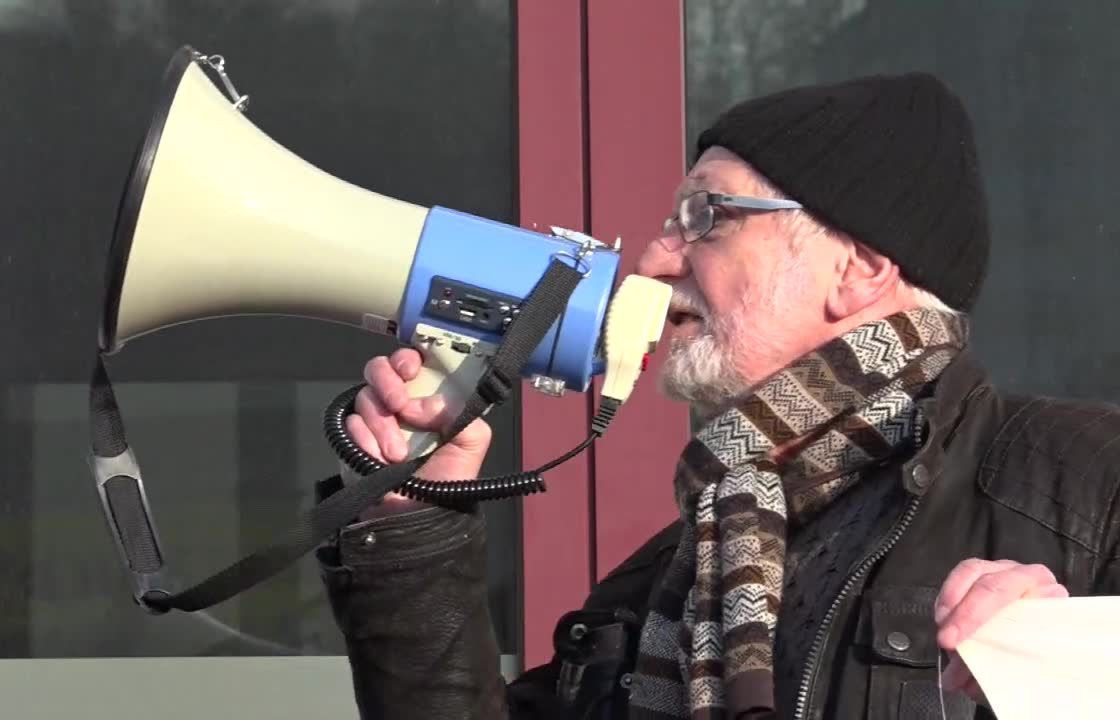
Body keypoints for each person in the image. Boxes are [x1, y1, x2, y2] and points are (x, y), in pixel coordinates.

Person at [315, 72, 1120, 720]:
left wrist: (1085, 660)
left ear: (861, 269)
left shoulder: (1083, 481)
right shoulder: (674, 574)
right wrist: (415, 521)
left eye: (706, 215)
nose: (658, 259)